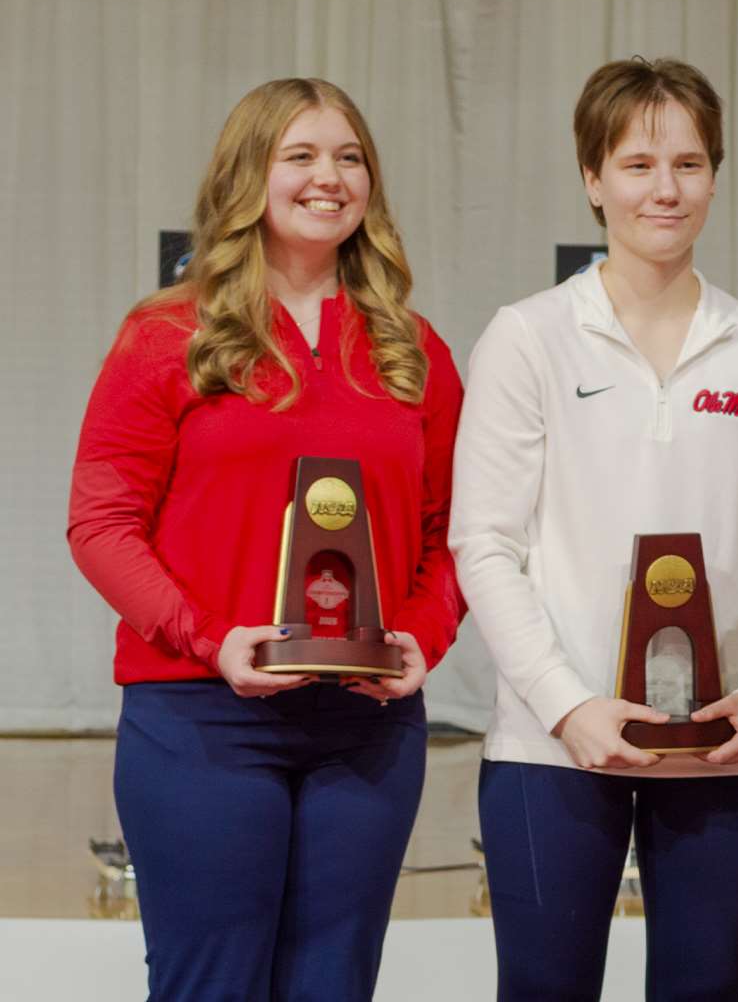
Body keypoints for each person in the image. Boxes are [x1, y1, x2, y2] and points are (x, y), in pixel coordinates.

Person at [67, 78, 464, 1001]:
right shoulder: (168, 334)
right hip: (203, 717)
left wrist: (420, 636)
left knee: (334, 985)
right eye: (302, 156)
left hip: (366, 727)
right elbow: (101, 522)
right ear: (250, 175)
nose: (330, 178)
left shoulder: (415, 348)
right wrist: (211, 639)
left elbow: (456, 534)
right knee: (213, 985)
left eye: (350, 157)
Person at [450, 57, 738, 1002]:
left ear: (716, 177)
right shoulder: (528, 336)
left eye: (690, 164)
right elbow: (483, 543)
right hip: (551, 745)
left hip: (727, 740)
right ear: (591, 178)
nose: (666, 188)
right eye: (639, 163)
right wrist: (568, 705)